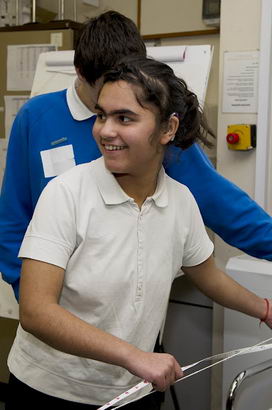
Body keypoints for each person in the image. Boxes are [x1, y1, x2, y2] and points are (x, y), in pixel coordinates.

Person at [6, 56, 272, 410]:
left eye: (125, 118)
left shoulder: (180, 200)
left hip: (135, 390)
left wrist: (266, 309)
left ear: (167, 129)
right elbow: (36, 311)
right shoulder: (66, 193)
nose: (105, 130)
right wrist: (135, 356)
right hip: (55, 390)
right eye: (102, 115)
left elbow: (206, 274)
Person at [1, 12, 272, 304]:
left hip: (134, 304)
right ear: (80, 72)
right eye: (106, 96)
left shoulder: (153, 124)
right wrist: (31, 295)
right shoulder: (36, 118)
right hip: (56, 302)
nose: (121, 95)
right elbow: (14, 216)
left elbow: (220, 202)